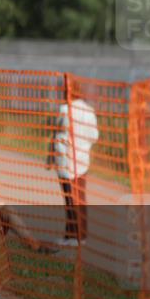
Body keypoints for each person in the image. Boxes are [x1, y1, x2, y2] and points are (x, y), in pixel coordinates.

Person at [48, 80, 99, 247]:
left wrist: (50, 158)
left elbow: (56, 133)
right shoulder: (89, 111)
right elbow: (94, 136)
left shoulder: (64, 110)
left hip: (65, 160)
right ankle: (77, 235)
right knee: (80, 198)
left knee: (70, 199)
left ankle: (73, 236)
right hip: (82, 160)